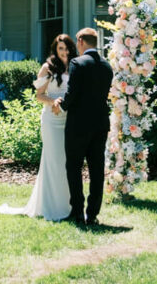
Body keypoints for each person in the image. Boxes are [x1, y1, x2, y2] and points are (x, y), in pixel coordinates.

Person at [0, 33, 77, 221]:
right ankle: (52, 206)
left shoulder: (74, 67)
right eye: (61, 48)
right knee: (53, 161)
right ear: (55, 49)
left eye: (67, 48)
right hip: (52, 120)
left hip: (70, 120)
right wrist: (54, 101)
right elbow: (39, 95)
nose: (64, 52)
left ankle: (68, 204)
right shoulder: (48, 68)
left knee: (67, 162)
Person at [52, 27, 113, 226]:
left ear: (80, 41)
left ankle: (77, 211)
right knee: (97, 170)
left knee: (74, 167)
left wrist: (61, 103)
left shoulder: (77, 63)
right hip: (100, 125)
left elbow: (73, 93)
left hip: (78, 125)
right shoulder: (107, 66)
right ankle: (93, 214)